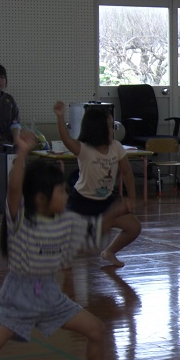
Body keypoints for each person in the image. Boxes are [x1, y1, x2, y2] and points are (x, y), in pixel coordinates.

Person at [0, 130, 126, 360]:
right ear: (40, 198)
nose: (66, 195)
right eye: (61, 191)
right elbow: (15, 189)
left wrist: (113, 213)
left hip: (51, 297)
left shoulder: (67, 221)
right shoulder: (21, 219)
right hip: (17, 300)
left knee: (97, 330)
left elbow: (93, 236)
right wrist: (22, 153)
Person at [54, 100, 141, 267]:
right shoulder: (84, 149)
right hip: (81, 201)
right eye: (108, 126)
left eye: (111, 125)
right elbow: (66, 139)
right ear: (96, 129)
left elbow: (127, 173)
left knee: (134, 227)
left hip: (106, 201)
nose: (111, 130)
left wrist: (131, 198)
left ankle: (109, 252)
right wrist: (60, 117)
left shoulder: (116, 147)